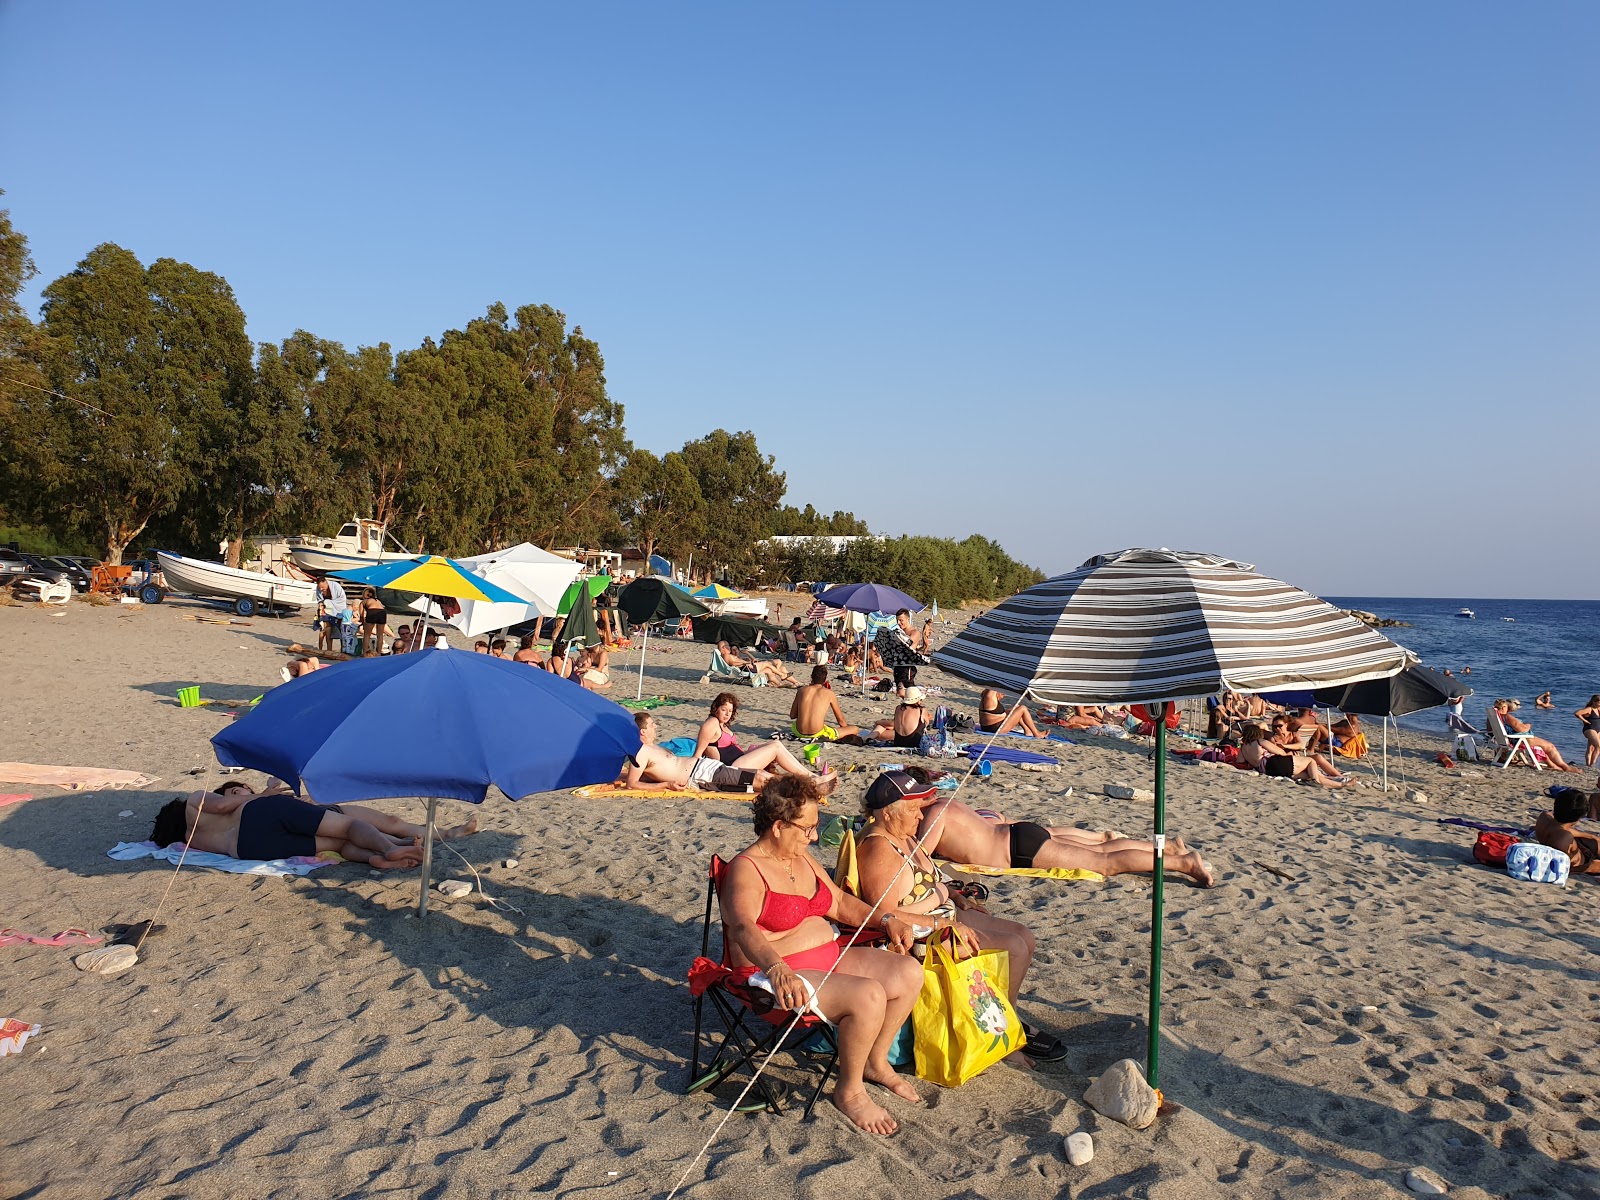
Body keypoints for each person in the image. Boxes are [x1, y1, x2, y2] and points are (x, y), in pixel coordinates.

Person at [719, 774, 925, 1134]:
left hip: (825, 957)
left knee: (908, 972)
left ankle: (876, 1061)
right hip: (769, 972)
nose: (814, 836)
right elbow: (743, 928)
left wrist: (887, 919)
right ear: (779, 825)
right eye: (808, 828)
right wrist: (778, 969)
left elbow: (841, 903)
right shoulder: (746, 868)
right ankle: (850, 1091)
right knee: (868, 995)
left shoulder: (803, 858)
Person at [855, 770, 1066, 1064]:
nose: (920, 816)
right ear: (890, 813)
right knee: (1014, 948)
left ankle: (1010, 1016)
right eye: (914, 809)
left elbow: (927, 879)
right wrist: (940, 922)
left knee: (1024, 936)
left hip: (944, 912)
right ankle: (1002, 1034)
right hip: (924, 932)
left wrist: (955, 895)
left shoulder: (901, 836)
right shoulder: (879, 848)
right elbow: (883, 914)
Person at [909, 780, 1214, 886]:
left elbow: (917, 859)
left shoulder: (937, 814)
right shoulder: (950, 803)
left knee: (1105, 863)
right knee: (1104, 849)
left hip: (1018, 850)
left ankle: (1183, 863)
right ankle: (1170, 848)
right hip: (1018, 834)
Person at [149, 788, 426, 869]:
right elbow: (222, 807)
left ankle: (375, 857)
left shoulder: (191, 840)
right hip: (258, 815)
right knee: (348, 825)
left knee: (338, 845)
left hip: (247, 849)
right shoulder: (194, 803)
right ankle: (389, 848)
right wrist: (264, 794)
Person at [624, 713, 837, 796]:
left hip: (709, 768)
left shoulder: (656, 748)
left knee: (768, 769)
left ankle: (810, 781)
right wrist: (664, 785)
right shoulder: (641, 752)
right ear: (642, 731)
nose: (656, 726)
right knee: (762, 780)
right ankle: (810, 788)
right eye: (652, 724)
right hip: (702, 777)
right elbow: (632, 783)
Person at [212, 779, 480, 843]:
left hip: (325, 809)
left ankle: (447, 833)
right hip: (317, 821)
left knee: (391, 820)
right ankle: (412, 842)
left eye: (241, 788)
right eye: (234, 793)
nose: (242, 792)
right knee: (368, 833)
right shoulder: (243, 810)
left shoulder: (265, 796)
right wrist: (264, 793)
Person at [1239, 721, 1350, 788]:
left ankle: (1340, 785)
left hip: (1267, 770)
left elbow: (1240, 762)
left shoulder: (1243, 749)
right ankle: (1316, 782)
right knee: (1311, 761)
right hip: (1274, 762)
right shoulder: (1260, 741)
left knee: (1309, 774)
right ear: (1257, 733)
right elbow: (1281, 753)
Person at [1490, 699, 1581, 772]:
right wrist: (1528, 726)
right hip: (1521, 740)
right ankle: (1565, 767)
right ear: (1503, 708)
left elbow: (1490, 730)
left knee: (1544, 747)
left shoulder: (1494, 717)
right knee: (1551, 747)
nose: (1507, 708)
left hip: (1508, 740)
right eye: (1506, 706)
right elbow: (1521, 729)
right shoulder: (1507, 716)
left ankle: (1552, 765)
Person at [1533, 789, 1600, 875]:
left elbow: (1563, 828)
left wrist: (1591, 836)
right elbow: (1559, 869)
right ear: (1579, 817)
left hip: (1579, 846)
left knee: (1596, 842)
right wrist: (1589, 868)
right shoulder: (1564, 839)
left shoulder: (1544, 817)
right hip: (1584, 860)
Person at [790, 665, 862, 740]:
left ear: (812, 677)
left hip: (798, 732)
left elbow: (792, 715)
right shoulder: (829, 693)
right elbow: (841, 720)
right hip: (818, 733)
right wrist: (845, 730)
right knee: (855, 729)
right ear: (825, 680)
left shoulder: (802, 690)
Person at [873, 609, 930, 696]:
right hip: (897, 665)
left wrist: (896, 637)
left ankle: (914, 706)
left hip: (907, 666)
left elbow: (907, 644)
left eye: (901, 620)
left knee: (908, 691)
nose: (899, 623)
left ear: (908, 618)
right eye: (897, 620)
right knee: (900, 691)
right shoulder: (899, 632)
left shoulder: (914, 632)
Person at [717, 639, 796, 686]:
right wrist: (746, 663)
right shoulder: (726, 655)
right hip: (746, 669)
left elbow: (735, 662)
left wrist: (746, 656)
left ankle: (779, 684)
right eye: (727, 646)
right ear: (723, 647)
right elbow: (733, 663)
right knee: (767, 663)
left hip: (747, 668)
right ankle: (782, 675)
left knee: (768, 670)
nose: (729, 648)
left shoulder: (728, 655)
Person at [694, 693, 748, 763]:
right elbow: (698, 753)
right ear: (716, 709)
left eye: (730, 711)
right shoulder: (712, 722)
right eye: (724, 710)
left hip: (739, 760)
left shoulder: (723, 725)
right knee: (767, 749)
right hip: (730, 767)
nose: (727, 714)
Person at [977, 689, 1046, 738]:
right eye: (1002, 693)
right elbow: (994, 684)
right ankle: (1036, 733)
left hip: (987, 727)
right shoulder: (989, 697)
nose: (1002, 696)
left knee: (1016, 708)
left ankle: (1028, 731)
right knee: (1022, 708)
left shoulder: (985, 694)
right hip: (996, 729)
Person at [316, 576, 349, 655]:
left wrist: (328, 602)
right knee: (327, 630)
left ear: (326, 582)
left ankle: (343, 648)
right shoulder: (318, 589)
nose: (321, 589)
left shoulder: (335, 586)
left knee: (341, 630)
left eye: (322, 587)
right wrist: (322, 606)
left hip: (339, 609)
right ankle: (329, 649)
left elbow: (342, 598)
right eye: (320, 587)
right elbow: (320, 600)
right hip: (327, 611)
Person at [357, 587, 387, 656]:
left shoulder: (363, 602)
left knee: (367, 635)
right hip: (382, 612)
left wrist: (363, 623)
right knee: (380, 635)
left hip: (372, 611)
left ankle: (365, 653)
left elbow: (361, 615)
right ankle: (379, 653)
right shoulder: (377, 601)